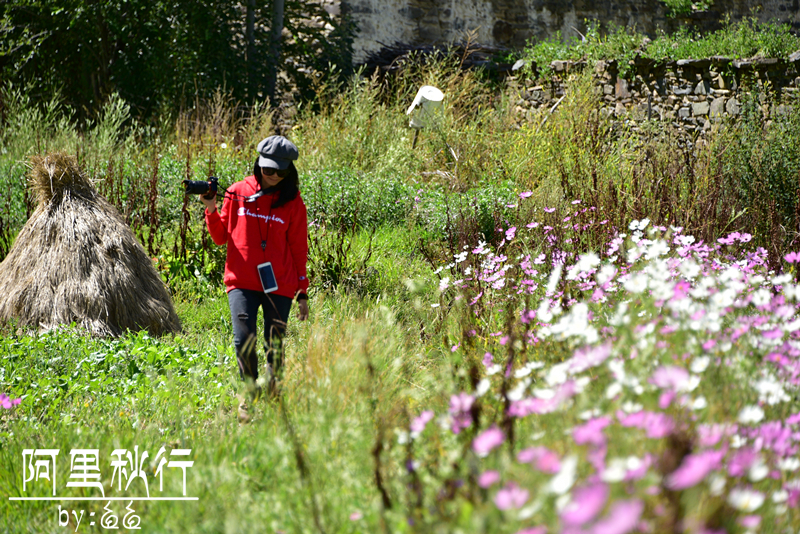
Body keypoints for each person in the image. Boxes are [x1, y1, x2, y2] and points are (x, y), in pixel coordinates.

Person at [200, 135, 309, 410]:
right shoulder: (237, 191)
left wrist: (303, 291)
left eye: (278, 171)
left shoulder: (294, 203)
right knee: (243, 340)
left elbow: (299, 248)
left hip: (279, 285)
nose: (271, 175)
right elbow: (220, 237)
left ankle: (274, 397)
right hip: (241, 281)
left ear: (288, 172)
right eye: (266, 168)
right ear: (258, 163)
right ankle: (247, 395)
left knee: (275, 345)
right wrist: (211, 208)